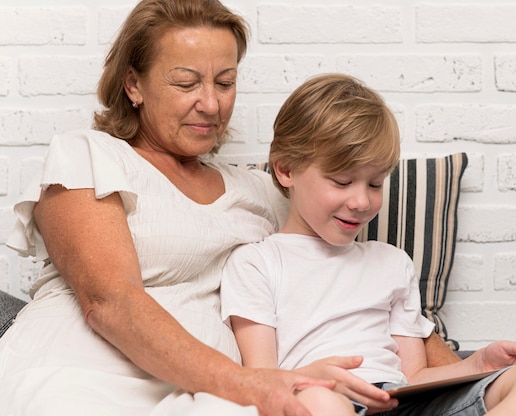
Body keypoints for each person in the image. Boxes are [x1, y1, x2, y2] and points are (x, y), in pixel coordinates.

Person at [0, 1, 466, 415]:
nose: (210, 103)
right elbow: (110, 302)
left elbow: (363, 288)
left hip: (210, 395)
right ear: (133, 85)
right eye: (186, 82)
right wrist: (251, 383)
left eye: (225, 82)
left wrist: (466, 375)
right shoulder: (89, 155)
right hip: (84, 375)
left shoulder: (263, 191)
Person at [221, 73, 516, 415]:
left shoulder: (391, 262)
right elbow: (261, 381)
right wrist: (307, 380)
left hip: (405, 402)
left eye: (375, 184)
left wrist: (478, 363)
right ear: (285, 170)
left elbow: (415, 376)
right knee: (320, 403)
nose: (362, 201)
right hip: (326, 399)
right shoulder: (257, 263)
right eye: (342, 181)